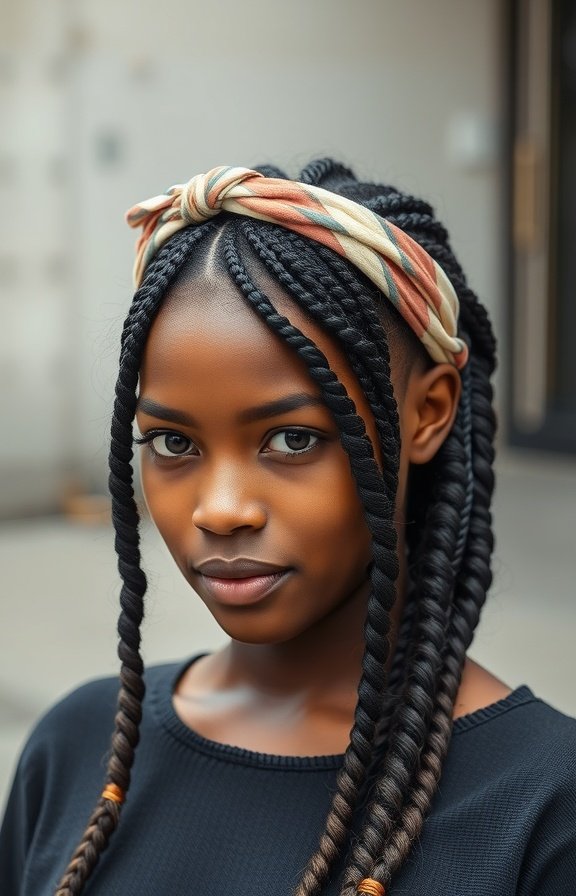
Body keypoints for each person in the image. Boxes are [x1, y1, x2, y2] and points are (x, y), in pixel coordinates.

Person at [1, 159, 575, 896]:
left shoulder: (539, 808)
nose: (221, 509)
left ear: (427, 412)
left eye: (293, 439)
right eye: (173, 443)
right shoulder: (79, 746)